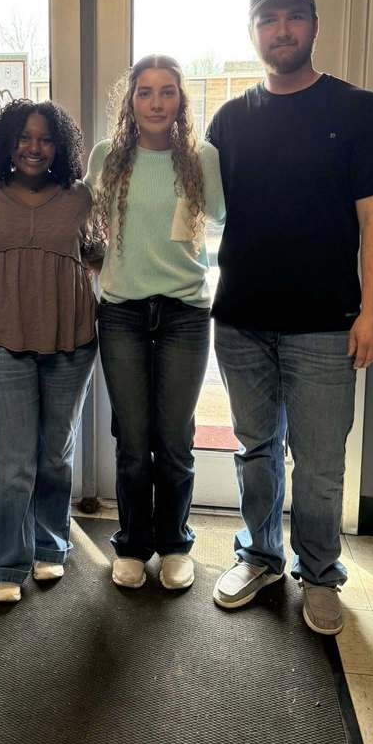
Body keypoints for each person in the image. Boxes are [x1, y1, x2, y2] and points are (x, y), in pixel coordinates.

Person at [206, 0, 373, 634]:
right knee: (255, 450)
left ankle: (320, 574)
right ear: (253, 32)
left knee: (318, 464)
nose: (282, 29)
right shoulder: (229, 120)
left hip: (325, 326)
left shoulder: (358, 110)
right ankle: (260, 555)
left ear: (314, 25)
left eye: (293, 16)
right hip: (241, 322)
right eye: (269, 19)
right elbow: (193, 209)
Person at [86, 55, 225, 591]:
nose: (156, 102)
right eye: (145, 92)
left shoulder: (201, 157)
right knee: (132, 437)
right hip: (121, 313)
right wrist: (100, 264)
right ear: (131, 101)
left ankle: (173, 544)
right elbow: (83, 219)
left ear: (180, 100)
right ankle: (131, 544)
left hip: (184, 314)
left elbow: (221, 216)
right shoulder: (108, 156)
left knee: (173, 439)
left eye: (167, 91)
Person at [0, 99, 98, 603]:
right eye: (24, 137)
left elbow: (99, 255)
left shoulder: (80, 197)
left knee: (54, 454)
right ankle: (5, 561)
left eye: (45, 138)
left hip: (70, 341)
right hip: (0, 339)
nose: (34, 147)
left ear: (60, 146)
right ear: (8, 143)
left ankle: (50, 545)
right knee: (12, 461)